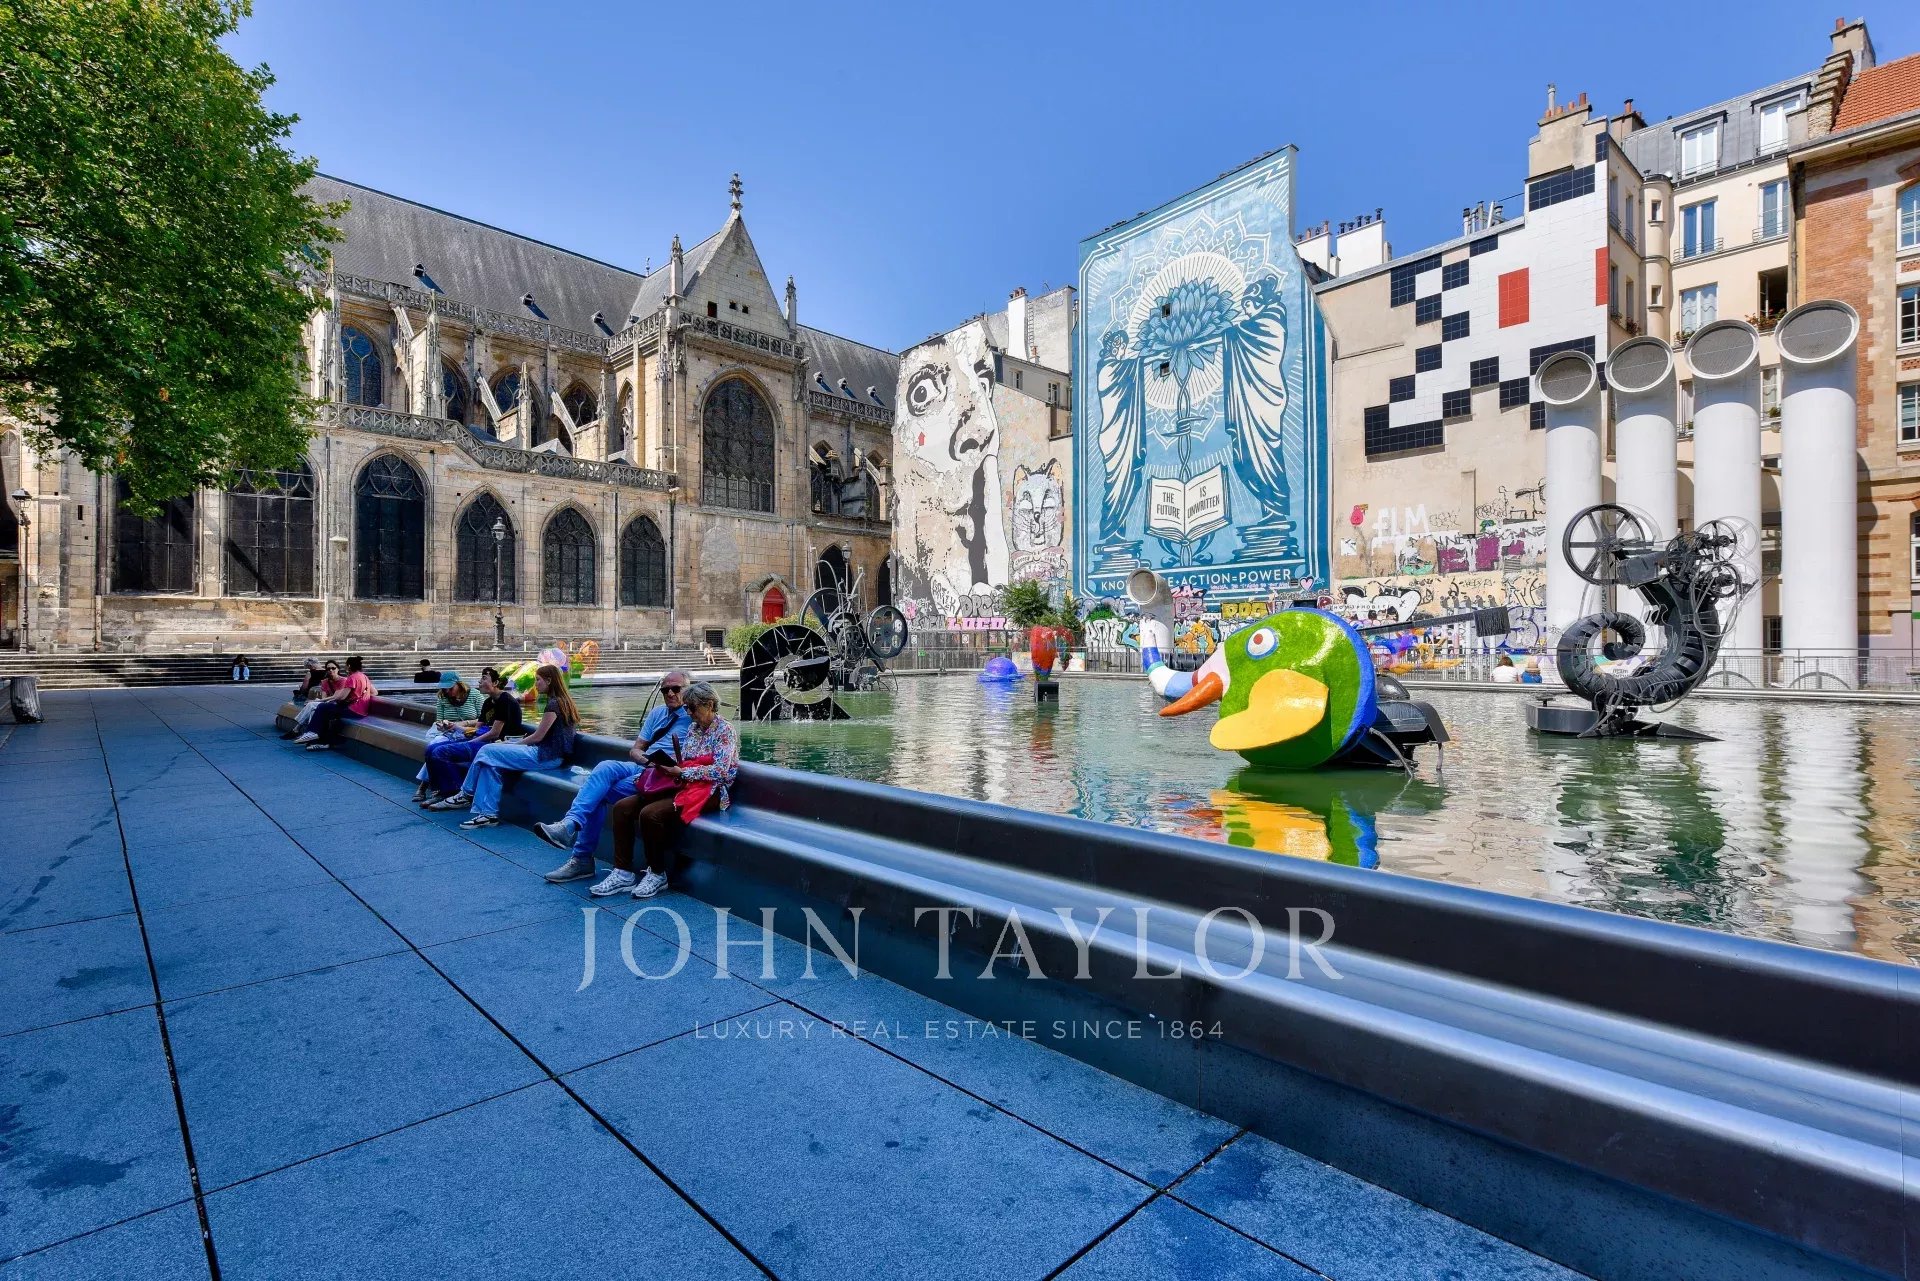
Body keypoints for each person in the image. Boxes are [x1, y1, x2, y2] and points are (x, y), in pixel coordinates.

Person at [535, 671, 692, 882]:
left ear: (688, 689)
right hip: (643, 767)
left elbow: (701, 755)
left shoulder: (695, 716)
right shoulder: (657, 713)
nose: (670, 694)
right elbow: (635, 749)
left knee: (596, 794)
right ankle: (570, 824)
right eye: (665, 690)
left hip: (663, 776)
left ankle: (581, 857)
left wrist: (664, 764)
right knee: (605, 766)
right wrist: (646, 759)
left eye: (676, 689)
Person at [592, 681, 737, 899]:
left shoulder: (725, 730)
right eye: (686, 708)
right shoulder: (693, 728)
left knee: (650, 814)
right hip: (683, 783)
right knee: (622, 808)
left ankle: (657, 873)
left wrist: (682, 772)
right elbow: (685, 761)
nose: (688, 713)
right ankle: (622, 872)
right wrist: (670, 768)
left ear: (709, 704)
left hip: (711, 791)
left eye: (692, 708)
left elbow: (720, 772)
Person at [435, 664, 579, 829]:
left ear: (549, 680)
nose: (536, 684)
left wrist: (515, 744)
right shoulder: (562, 702)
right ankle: (488, 815)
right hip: (549, 755)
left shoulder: (553, 704)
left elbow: (538, 736)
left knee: (486, 750)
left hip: (545, 756)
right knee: (490, 764)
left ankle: (465, 793)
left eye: (538, 680)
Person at [421, 668, 520, 803]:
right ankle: (440, 790)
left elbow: (495, 733)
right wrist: (455, 727)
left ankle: (453, 792)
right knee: (430, 749)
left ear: (495, 682)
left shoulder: (505, 700)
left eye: (484, 678)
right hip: (481, 739)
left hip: (495, 744)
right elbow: (477, 729)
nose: (479, 681)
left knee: (440, 752)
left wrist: (471, 742)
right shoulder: (488, 702)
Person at [411, 671, 486, 802]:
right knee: (435, 744)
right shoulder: (442, 697)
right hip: (447, 731)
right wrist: (442, 725)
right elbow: (439, 719)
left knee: (435, 747)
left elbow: (483, 719)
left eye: (451, 688)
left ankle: (424, 785)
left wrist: (464, 723)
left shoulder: (475, 695)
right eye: (445, 689)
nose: (447, 691)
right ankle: (435, 787)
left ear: (459, 684)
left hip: (467, 731)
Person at [297, 655, 373, 750]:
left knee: (322, 707)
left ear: (349, 666)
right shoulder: (364, 677)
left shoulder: (352, 678)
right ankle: (323, 741)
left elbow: (342, 697)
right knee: (326, 713)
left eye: (346, 665)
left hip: (353, 710)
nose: (345, 667)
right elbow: (374, 692)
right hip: (362, 711)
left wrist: (335, 699)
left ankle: (312, 732)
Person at [285, 660, 343, 738]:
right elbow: (324, 697)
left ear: (338, 669)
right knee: (313, 710)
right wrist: (320, 700)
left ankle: (296, 729)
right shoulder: (325, 682)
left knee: (311, 704)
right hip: (328, 702)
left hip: (339, 703)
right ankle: (308, 733)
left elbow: (336, 697)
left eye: (333, 668)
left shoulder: (343, 680)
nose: (331, 670)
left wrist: (318, 700)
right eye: (328, 669)